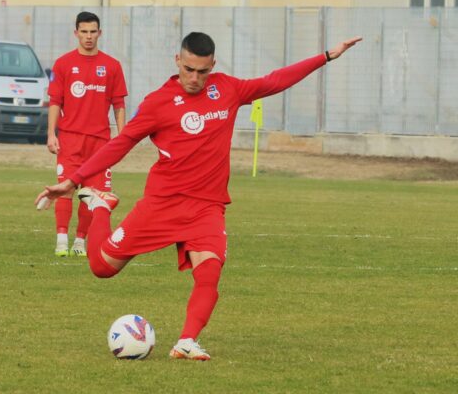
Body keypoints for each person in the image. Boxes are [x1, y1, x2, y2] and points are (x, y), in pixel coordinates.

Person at [36, 32, 362, 360]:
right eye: (189, 69)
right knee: (101, 268)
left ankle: (187, 341)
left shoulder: (227, 89)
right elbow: (120, 144)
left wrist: (326, 56)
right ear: (178, 61)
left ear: (213, 66)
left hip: (207, 207)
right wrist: (75, 181)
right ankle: (101, 205)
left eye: (202, 72)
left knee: (209, 271)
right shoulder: (157, 102)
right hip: (162, 203)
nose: (194, 78)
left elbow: (275, 81)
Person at [46, 11, 128, 257]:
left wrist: (122, 136)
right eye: (84, 32)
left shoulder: (112, 66)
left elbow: (119, 105)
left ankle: (80, 242)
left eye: (93, 32)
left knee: (91, 195)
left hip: (100, 143)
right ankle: (61, 240)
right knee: (66, 189)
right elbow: (54, 102)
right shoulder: (63, 64)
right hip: (70, 139)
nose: (89, 37)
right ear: (76, 33)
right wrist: (51, 133)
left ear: (99, 33)